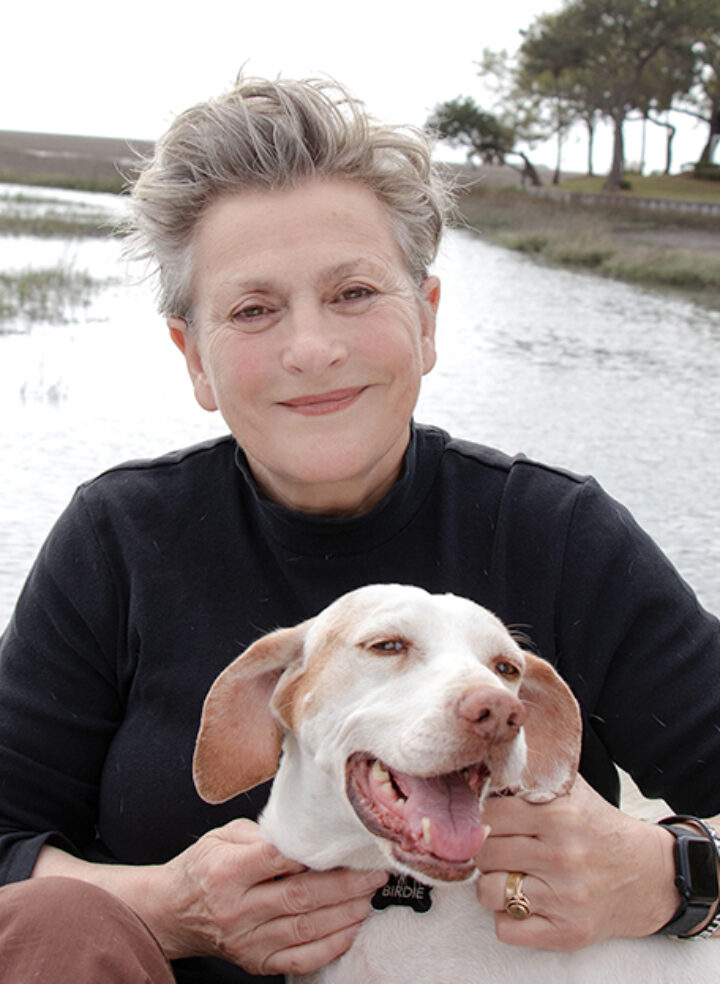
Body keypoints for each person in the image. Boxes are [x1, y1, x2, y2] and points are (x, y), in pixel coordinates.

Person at [0, 76, 718, 984]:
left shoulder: (560, 535)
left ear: (425, 320)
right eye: (254, 309)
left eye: (353, 293)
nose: (312, 348)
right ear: (195, 359)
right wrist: (174, 910)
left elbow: (682, 863)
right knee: (50, 923)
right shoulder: (117, 541)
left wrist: (670, 871)